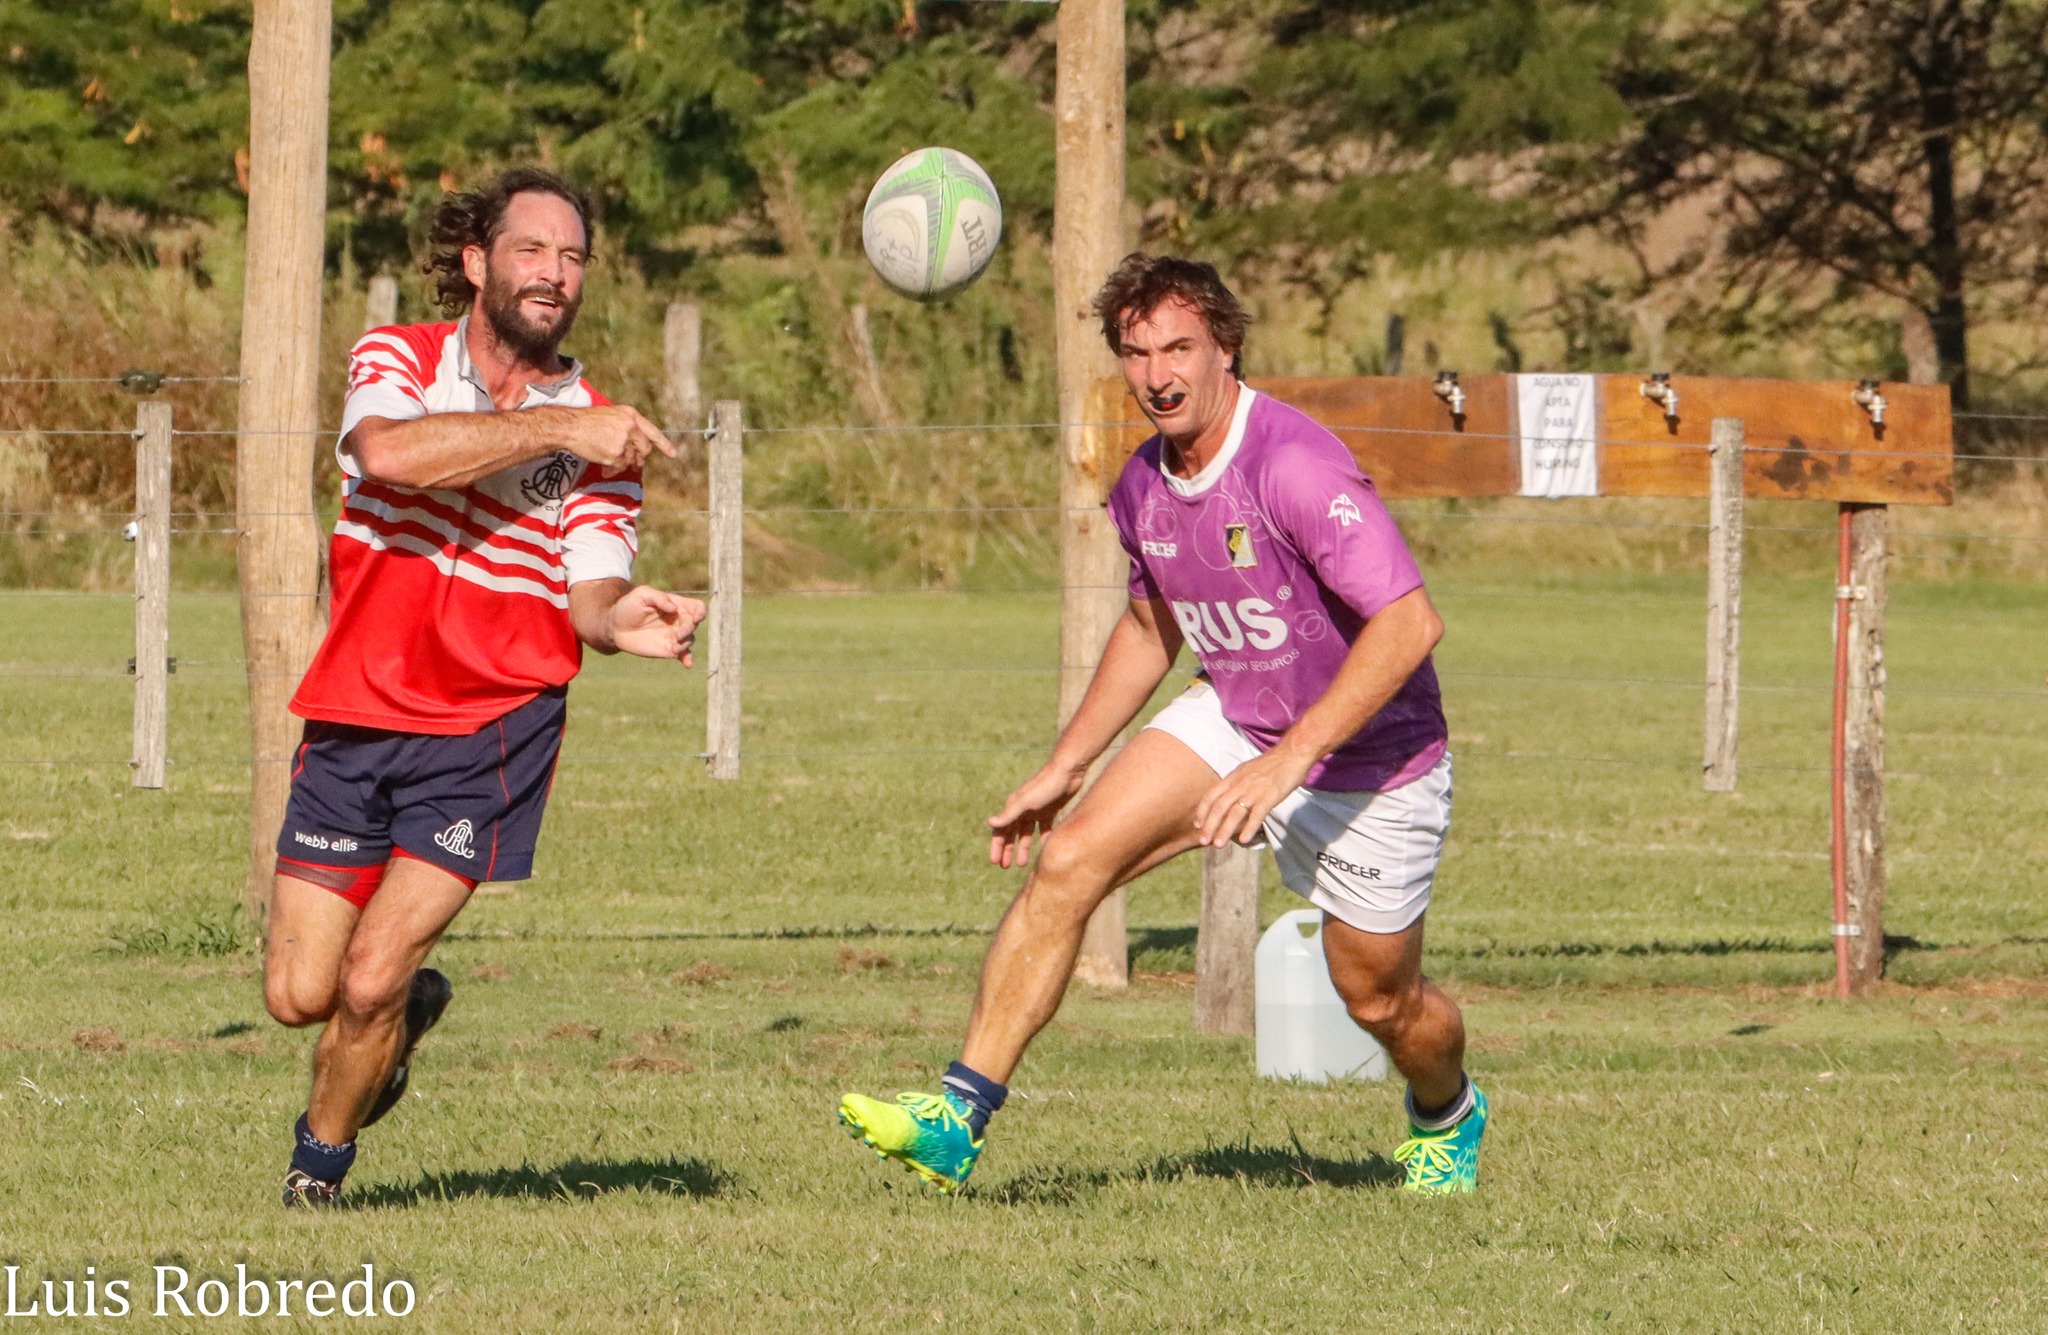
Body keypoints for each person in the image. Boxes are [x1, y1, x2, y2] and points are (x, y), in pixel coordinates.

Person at [838, 253, 1484, 1195]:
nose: (1157, 374)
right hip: (1239, 717)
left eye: (1179, 347)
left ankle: (1448, 1109)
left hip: (1373, 762)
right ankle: (955, 1119)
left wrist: (1289, 763)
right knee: (1069, 860)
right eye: (1136, 353)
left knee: (1379, 999)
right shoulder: (1143, 484)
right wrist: (1066, 765)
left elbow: (1409, 624)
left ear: (1226, 348)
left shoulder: (1292, 464)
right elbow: (1150, 628)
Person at [262, 167, 703, 1208]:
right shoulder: (400, 357)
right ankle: (406, 1015)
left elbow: (590, 593)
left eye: (573, 257)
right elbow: (388, 456)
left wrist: (623, 619)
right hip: (358, 708)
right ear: (476, 262)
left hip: (490, 726)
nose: (555, 273)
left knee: (367, 978)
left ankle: (317, 1173)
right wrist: (555, 430)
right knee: (299, 993)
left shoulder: (605, 433)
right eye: (532, 250)